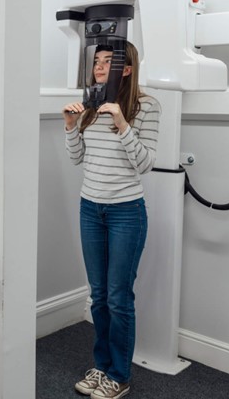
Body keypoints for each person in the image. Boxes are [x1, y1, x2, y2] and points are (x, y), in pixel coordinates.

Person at [62, 42, 160, 399]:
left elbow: (145, 163)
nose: (99, 67)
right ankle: (101, 366)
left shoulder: (146, 106)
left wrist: (122, 123)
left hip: (125, 213)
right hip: (90, 209)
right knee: (99, 296)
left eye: (108, 62)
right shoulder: (90, 105)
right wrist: (71, 126)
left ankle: (119, 375)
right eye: (97, 62)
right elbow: (77, 158)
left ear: (127, 69)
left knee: (119, 298)